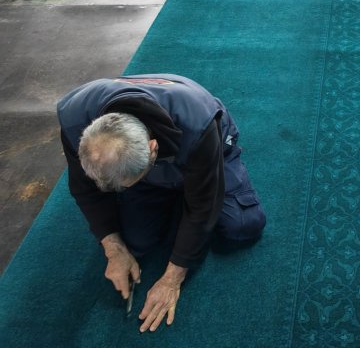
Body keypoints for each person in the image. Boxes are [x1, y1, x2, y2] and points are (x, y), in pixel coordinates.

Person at [57, 74, 266, 332]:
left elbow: (203, 204)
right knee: (136, 243)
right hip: (149, 165)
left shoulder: (197, 123)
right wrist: (113, 248)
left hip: (207, 149)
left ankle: (183, 189)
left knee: (241, 226)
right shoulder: (74, 119)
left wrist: (171, 279)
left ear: (153, 149)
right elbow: (85, 190)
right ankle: (165, 194)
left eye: (127, 185)